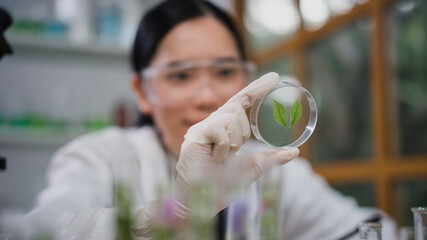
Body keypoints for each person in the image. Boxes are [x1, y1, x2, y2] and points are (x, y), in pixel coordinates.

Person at [10, 0, 398, 239]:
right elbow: (39, 233)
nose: (209, 96)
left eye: (225, 71)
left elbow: (367, 230)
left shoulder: (271, 168)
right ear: (143, 92)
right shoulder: (99, 159)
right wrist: (172, 211)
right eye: (180, 76)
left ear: (248, 79)